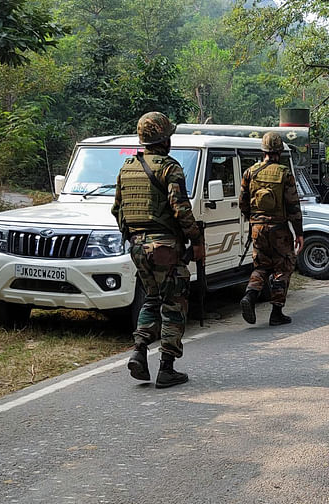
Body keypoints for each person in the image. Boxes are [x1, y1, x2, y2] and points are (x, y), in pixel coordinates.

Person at [111, 111, 204, 388]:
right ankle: (167, 367)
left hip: (137, 246)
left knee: (152, 298)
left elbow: (118, 210)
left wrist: (133, 238)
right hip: (164, 246)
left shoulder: (127, 168)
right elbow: (181, 210)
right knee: (174, 304)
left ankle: (139, 350)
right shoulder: (170, 168)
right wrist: (196, 240)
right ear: (165, 138)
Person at [239, 132, 304, 326]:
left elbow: (243, 203)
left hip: (257, 228)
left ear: (263, 151)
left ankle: (249, 297)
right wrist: (298, 232)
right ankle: (276, 312)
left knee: (261, 266)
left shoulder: (250, 172)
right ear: (280, 152)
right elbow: (293, 205)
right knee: (283, 266)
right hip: (279, 229)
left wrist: (253, 223)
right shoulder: (284, 174)